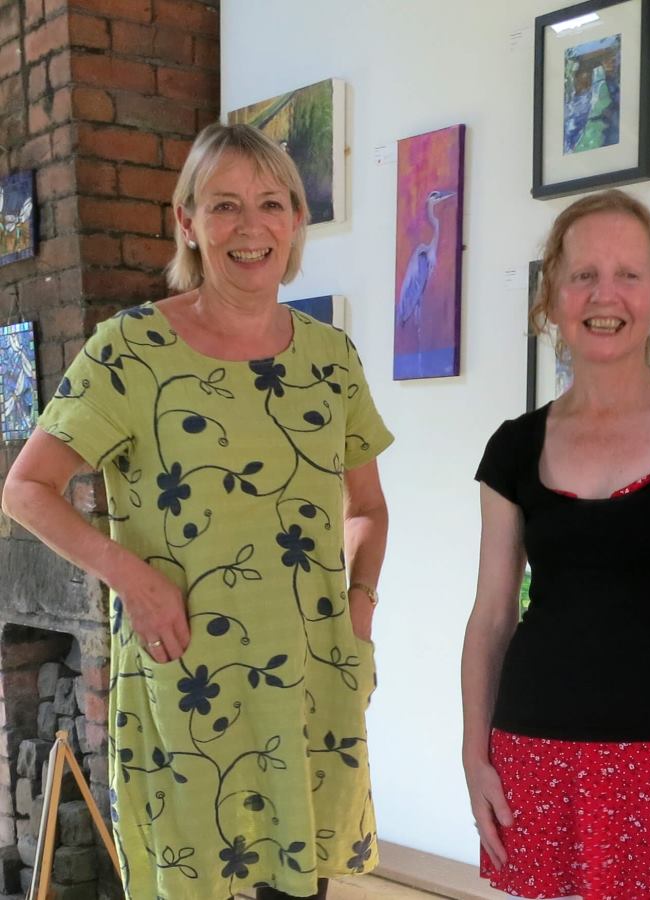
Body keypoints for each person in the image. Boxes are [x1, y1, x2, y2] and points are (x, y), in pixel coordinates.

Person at [1, 123, 393, 900]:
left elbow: (368, 509)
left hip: (309, 675)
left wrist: (358, 611)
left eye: (271, 204)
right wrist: (132, 581)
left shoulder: (329, 357)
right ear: (187, 221)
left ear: (295, 223)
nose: (251, 227)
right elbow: (25, 489)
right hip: (188, 677)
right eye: (224, 206)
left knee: (298, 888)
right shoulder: (132, 349)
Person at [461, 189, 650, 900]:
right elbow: (492, 616)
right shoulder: (512, 446)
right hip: (529, 749)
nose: (606, 295)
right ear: (552, 297)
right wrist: (474, 757)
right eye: (583, 274)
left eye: (629, 273)